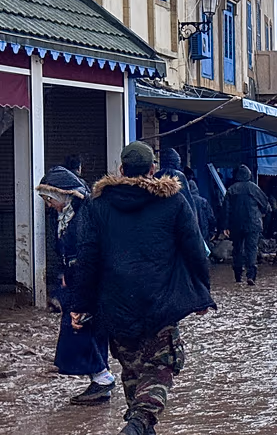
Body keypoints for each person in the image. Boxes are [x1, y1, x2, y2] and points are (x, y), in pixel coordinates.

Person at [68, 141, 215, 435]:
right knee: (163, 364)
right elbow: (195, 251)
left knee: (133, 370)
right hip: (161, 301)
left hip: (116, 304)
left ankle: (139, 426)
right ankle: (138, 422)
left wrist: (80, 306)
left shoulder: (97, 206)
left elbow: (87, 260)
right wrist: (202, 294)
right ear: (152, 169)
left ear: (122, 170)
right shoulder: (173, 201)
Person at [36, 167, 115, 406]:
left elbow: (88, 256)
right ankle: (101, 379)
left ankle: (102, 377)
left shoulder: (83, 216)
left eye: (50, 199)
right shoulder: (65, 216)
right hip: (77, 280)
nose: (49, 205)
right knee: (85, 328)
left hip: (87, 282)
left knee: (79, 328)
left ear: (62, 195)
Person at [223, 165, 270, 285]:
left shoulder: (231, 189)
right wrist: (262, 214)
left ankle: (238, 275)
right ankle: (251, 276)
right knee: (252, 249)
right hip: (253, 224)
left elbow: (226, 210)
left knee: (237, 249)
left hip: (236, 225)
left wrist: (225, 226)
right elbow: (265, 205)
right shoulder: (254, 188)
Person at [154, 148, 196, 219]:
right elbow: (187, 200)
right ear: (175, 161)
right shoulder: (179, 176)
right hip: (177, 216)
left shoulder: (156, 175)